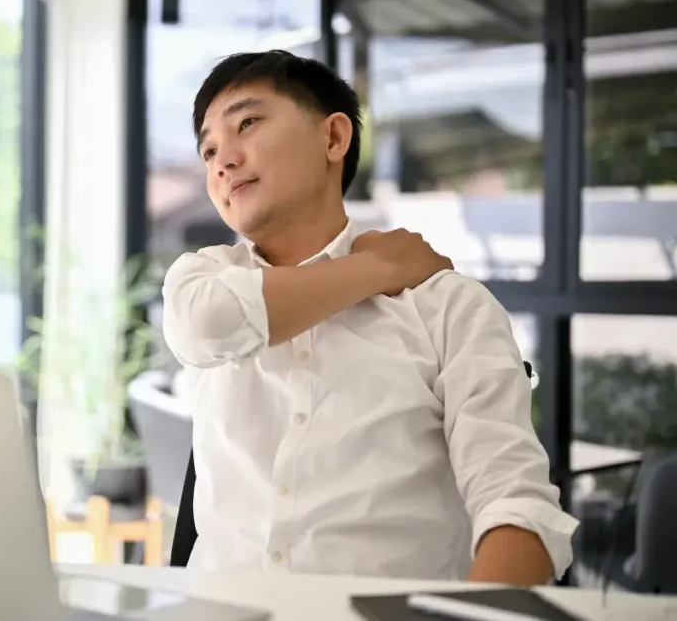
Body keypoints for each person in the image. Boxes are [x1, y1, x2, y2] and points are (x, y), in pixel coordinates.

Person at [161, 50, 578, 585]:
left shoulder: (447, 307)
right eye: (209, 150)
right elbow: (209, 323)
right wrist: (379, 268)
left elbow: (517, 509)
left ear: (334, 138)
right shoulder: (203, 278)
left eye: (247, 123)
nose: (223, 160)